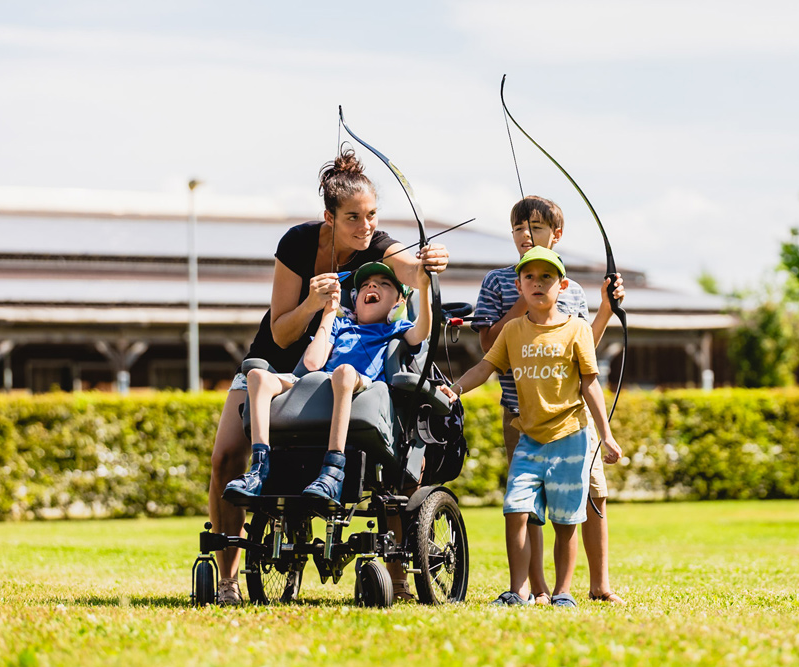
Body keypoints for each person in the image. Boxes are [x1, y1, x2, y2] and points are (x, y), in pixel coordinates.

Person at [208, 149, 449, 605]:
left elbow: (413, 273)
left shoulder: (377, 248)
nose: (366, 226)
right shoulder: (298, 244)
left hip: (338, 371)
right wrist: (314, 306)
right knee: (224, 459)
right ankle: (227, 581)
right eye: (354, 217)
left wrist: (430, 263)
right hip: (280, 365)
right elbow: (280, 333)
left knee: (388, 467)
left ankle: (397, 576)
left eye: (373, 215)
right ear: (329, 217)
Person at [442, 246, 622, 607]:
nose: (537, 283)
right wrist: (455, 388)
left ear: (563, 285)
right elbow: (485, 368)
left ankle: (563, 593)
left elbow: (590, 384)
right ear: (519, 286)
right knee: (516, 511)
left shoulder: (576, 331)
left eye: (546, 277)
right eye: (529, 277)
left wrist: (606, 436)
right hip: (529, 439)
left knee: (567, 519)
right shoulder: (511, 331)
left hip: (570, 438)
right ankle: (516, 590)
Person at [227, 260, 431, 505]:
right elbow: (312, 364)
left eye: (383, 284)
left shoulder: (396, 327)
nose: (372, 285)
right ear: (354, 299)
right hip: (320, 381)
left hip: (360, 383)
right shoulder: (340, 325)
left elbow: (422, 332)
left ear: (398, 304)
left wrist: (424, 287)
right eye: (364, 285)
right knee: (256, 376)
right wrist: (329, 313)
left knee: (344, 372)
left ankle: (334, 468)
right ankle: (259, 468)